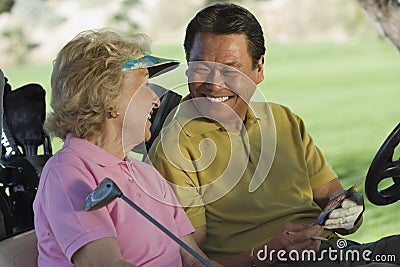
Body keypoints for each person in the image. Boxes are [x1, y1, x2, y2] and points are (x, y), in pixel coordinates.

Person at [148, 3, 400, 266]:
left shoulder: (283, 120)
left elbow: (334, 198)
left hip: (336, 251)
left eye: (229, 70)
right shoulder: (174, 149)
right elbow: (192, 261)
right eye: (201, 67)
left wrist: (349, 210)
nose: (214, 83)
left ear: (259, 69)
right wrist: (267, 254)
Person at [33, 28, 222, 267]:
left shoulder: (146, 174)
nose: (157, 99)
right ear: (108, 96)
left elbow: (193, 260)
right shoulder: (66, 173)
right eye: (144, 85)